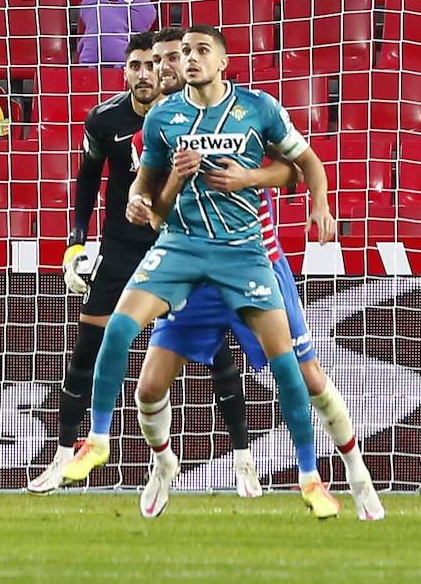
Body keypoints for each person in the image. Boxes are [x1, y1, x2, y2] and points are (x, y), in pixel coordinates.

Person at [61, 24, 341, 520]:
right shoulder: (164, 119)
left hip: (242, 252)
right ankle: (98, 438)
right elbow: (148, 197)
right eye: (184, 52)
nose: (189, 58)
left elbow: (306, 164)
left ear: (222, 61)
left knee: (286, 364)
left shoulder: (259, 107)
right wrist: (139, 201)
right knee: (120, 326)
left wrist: (319, 205)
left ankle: (310, 477)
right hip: (181, 245)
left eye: (200, 50)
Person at [28, 29, 263, 496]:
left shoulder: (185, 120)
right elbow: (87, 182)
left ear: (165, 69)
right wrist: (76, 243)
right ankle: (61, 457)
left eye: (151, 65)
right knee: (87, 351)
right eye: (133, 65)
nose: (143, 74)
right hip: (120, 248)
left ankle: (242, 458)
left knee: (214, 352)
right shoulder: (104, 120)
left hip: (176, 244)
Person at [139, 180, 386, 521]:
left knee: (308, 378)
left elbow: (295, 165)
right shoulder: (165, 128)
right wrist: (140, 202)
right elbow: (149, 195)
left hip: (257, 265)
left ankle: (358, 476)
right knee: (150, 388)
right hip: (194, 272)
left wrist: (260, 181)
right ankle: (163, 463)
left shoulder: (253, 125)